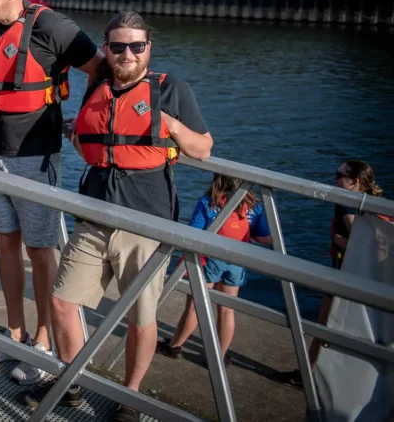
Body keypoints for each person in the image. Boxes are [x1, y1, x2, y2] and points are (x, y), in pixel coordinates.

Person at [20, 11, 212, 420]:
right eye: (118, 46)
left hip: (146, 222)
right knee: (61, 302)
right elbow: (95, 143)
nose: (127, 54)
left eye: (136, 46)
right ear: (105, 49)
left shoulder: (170, 89)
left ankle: (130, 396)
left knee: (141, 317)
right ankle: (70, 379)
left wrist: (168, 124)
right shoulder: (98, 85)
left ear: (148, 49)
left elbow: (202, 149)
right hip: (93, 215)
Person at [0, 0, 102, 386]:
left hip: (37, 156)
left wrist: (84, 125)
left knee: (40, 250)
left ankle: (43, 340)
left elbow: (101, 71)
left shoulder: (52, 26)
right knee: (4, 240)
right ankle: (14, 332)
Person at [279, 159, 386, 387]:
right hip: (364, 276)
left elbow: (366, 241)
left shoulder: (347, 205)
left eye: (339, 175)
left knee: (324, 324)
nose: (334, 178)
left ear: (354, 182)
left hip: (346, 273)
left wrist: (343, 242)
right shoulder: (376, 203)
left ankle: (309, 374)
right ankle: (313, 373)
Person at [157, 175, 272, 366]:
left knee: (195, 307)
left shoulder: (208, 203)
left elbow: (193, 233)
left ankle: (174, 346)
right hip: (235, 263)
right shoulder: (253, 207)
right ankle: (219, 357)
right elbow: (266, 239)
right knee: (226, 311)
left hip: (208, 261)